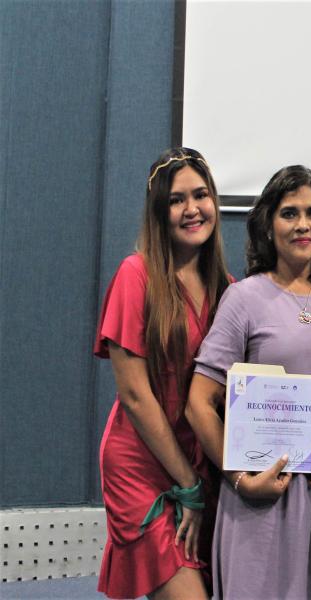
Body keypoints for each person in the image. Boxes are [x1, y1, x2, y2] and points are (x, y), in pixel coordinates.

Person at [185, 165, 311, 598]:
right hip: (259, 501)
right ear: (267, 224)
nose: (303, 225)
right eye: (289, 213)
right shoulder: (243, 299)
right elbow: (199, 403)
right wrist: (240, 478)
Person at [94, 148, 230, 599]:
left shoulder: (227, 289)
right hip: (143, 467)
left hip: (198, 466)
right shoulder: (136, 275)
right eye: (176, 199)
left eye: (201, 195)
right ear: (159, 210)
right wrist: (186, 484)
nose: (192, 209)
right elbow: (134, 396)